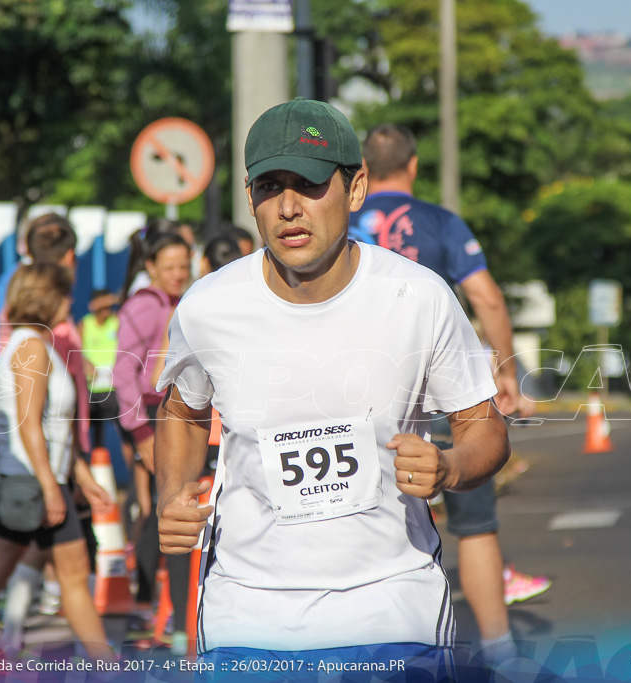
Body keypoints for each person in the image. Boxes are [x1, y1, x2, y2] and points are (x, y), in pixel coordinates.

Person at [156, 99, 510, 673]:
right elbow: (181, 410)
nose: (290, 207)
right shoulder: (208, 307)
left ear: (356, 186)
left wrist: (449, 466)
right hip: (247, 613)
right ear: (250, 199)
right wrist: (171, 492)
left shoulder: (417, 297)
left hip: (392, 609)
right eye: (271, 186)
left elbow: (484, 425)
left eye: (311, 183)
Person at [351, 122, 546, 662]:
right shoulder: (441, 222)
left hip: (362, 398)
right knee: (475, 523)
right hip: (443, 393)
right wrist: (505, 371)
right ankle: (499, 649)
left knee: (364, 522)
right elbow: (485, 296)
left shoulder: (339, 225)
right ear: (413, 166)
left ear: (362, 170)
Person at [0, 263, 113, 661]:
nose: (70, 302)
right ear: (45, 298)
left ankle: (106, 665)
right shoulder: (31, 347)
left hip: (42, 480)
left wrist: (81, 475)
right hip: (27, 483)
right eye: (64, 295)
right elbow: (29, 427)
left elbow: (54, 427)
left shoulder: (38, 345)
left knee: (72, 578)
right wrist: (49, 487)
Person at [114, 232, 192, 653]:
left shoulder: (180, 302)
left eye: (184, 265)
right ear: (152, 268)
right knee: (156, 511)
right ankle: (144, 607)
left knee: (163, 507)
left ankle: (152, 609)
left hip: (172, 416)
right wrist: (141, 432)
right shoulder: (144, 306)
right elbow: (122, 374)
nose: (179, 273)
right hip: (149, 419)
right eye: (170, 267)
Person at [79, 289, 122, 450]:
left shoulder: (117, 321)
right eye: (102, 305)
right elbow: (75, 353)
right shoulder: (84, 324)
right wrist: (86, 364)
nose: (107, 309)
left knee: (125, 433)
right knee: (93, 435)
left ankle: (132, 473)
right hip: (91, 388)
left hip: (113, 388)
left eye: (109, 306)